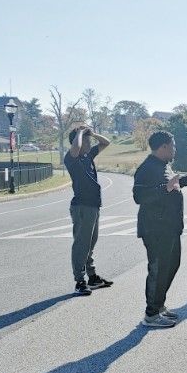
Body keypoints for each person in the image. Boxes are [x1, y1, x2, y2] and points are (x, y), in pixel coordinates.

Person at [133, 131, 187, 328]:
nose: (175, 149)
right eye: (172, 146)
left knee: (171, 266)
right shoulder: (147, 168)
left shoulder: (163, 166)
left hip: (169, 228)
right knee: (158, 269)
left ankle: (159, 305)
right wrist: (163, 189)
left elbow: (171, 185)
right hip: (156, 229)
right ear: (163, 147)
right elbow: (139, 196)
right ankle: (151, 314)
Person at [64, 125, 113, 296]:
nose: (89, 142)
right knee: (81, 245)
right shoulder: (72, 158)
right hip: (82, 207)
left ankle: (92, 278)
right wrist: (79, 133)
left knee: (90, 244)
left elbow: (106, 142)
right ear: (78, 142)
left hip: (93, 206)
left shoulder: (88, 155)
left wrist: (91, 133)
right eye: (87, 140)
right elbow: (75, 148)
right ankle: (79, 281)